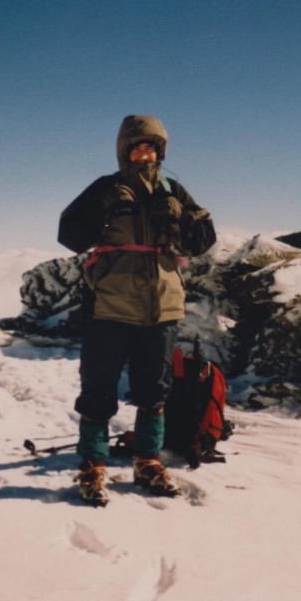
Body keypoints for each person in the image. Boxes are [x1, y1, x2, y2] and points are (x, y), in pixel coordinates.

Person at [58, 114, 217, 505]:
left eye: (151, 149)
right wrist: (105, 213)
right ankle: (93, 465)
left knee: (154, 391)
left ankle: (147, 460)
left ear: (160, 153)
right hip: (110, 307)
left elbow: (204, 240)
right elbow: (68, 234)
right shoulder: (105, 188)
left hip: (161, 308)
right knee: (98, 389)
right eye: (137, 148)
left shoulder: (173, 189)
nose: (145, 156)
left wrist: (179, 215)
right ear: (124, 152)